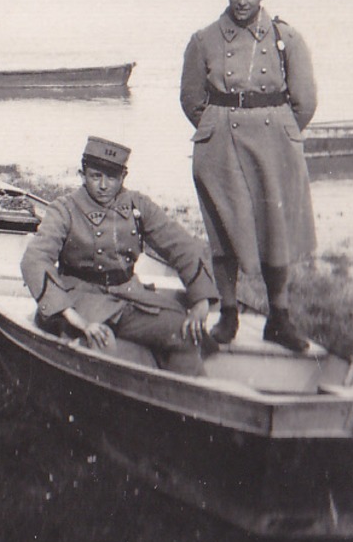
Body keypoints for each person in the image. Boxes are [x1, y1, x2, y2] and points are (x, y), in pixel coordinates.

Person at [180, 0, 318, 353]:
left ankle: (279, 316)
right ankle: (228, 313)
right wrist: (216, 128)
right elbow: (191, 99)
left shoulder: (286, 38)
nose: (242, 0)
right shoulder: (203, 39)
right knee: (223, 231)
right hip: (219, 144)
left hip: (274, 143)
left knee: (276, 230)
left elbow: (304, 101)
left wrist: (278, 130)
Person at [20, 136, 219, 375]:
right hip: (81, 299)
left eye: (112, 177)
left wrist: (200, 301)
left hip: (129, 296)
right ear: (82, 175)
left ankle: (189, 400)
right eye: (95, 176)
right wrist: (73, 317)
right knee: (102, 345)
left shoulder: (137, 205)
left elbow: (180, 245)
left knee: (185, 333)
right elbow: (35, 259)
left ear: (123, 177)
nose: (103, 185)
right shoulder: (64, 209)